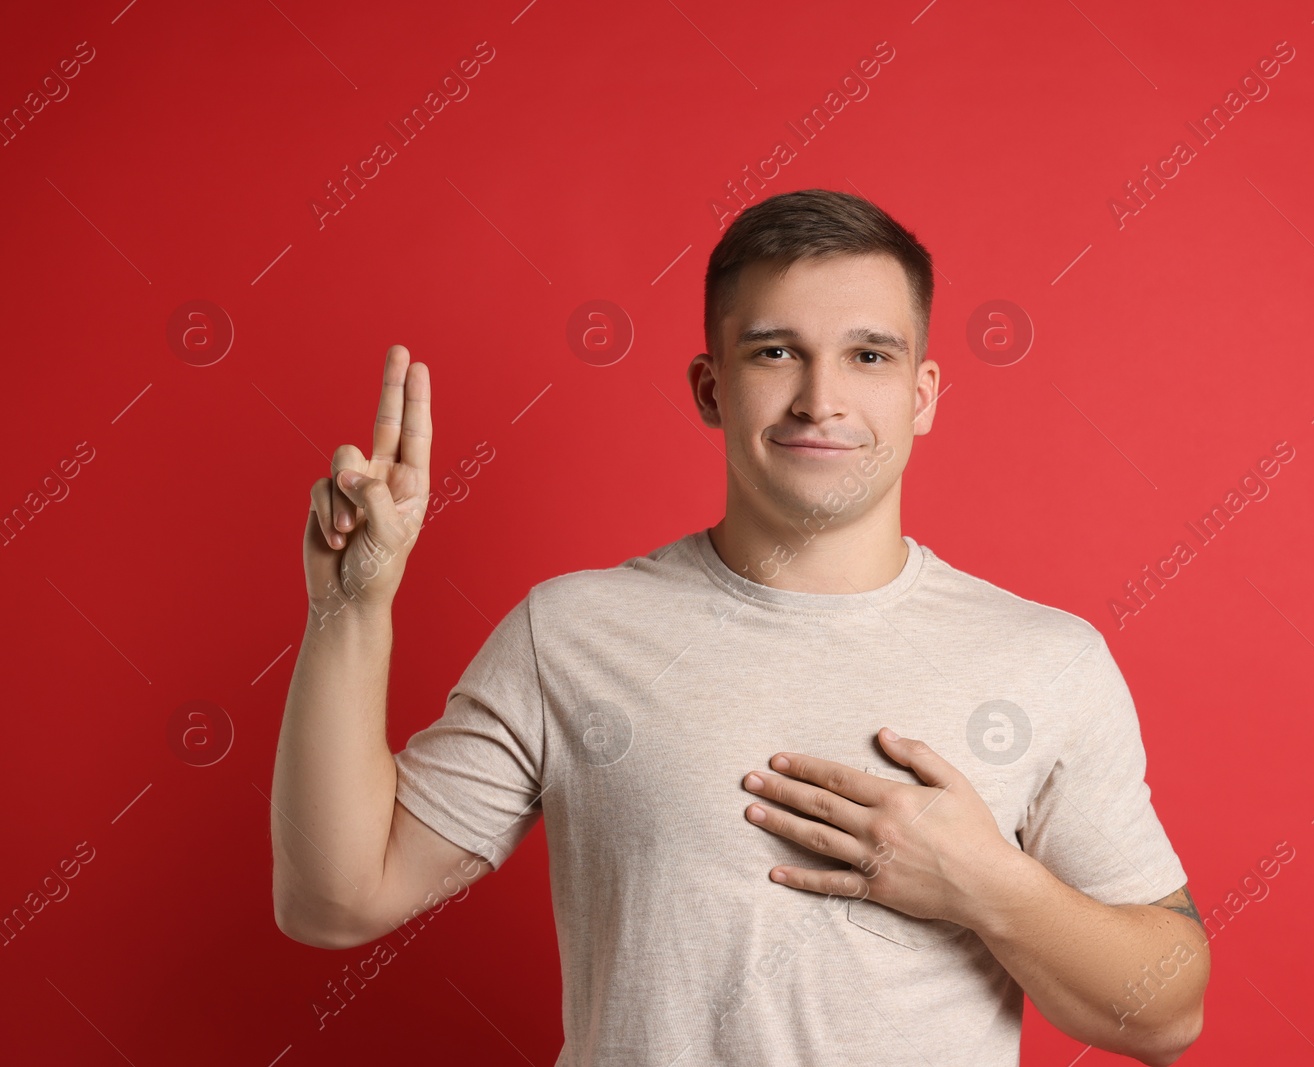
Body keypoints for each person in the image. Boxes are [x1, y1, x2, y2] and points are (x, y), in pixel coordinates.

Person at [271, 188, 1208, 1065]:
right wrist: (349, 611)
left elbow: (1168, 1011)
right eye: (774, 351)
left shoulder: (1047, 658)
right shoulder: (568, 632)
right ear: (710, 386)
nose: (820, 399)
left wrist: (986, 884)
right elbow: (336, 901)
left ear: (922, 395)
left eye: (868, 355)